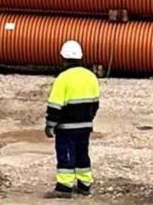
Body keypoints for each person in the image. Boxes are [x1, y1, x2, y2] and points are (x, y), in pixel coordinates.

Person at [44, 40, 100, 199]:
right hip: (85, 125)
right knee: (82, 153)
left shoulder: (63, 78)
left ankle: (64, 187)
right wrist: (89, 118)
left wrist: (50, 125)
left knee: (66, 153)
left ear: (63, 57)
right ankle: (85, 184)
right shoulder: (91, 77)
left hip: (66, 127)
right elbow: (95, 103)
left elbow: (55, 105)